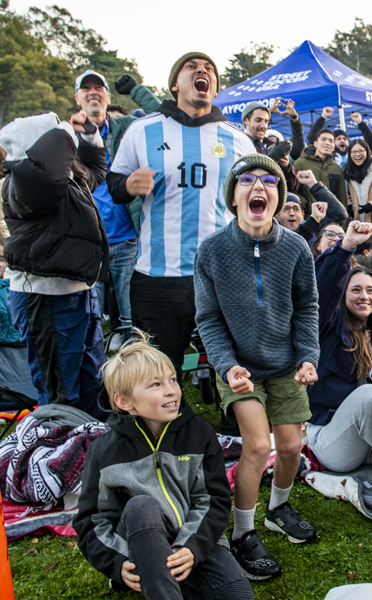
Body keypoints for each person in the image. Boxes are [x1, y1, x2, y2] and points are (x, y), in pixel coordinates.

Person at [194, 154, 320, 580]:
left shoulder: (296, 248)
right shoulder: (211, 251)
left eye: (268, 180)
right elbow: (208, 319)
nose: (258, 186)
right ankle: (242, 533)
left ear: (278, 197)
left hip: (286, 365)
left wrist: (308, 356)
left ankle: (278, 509)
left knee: (291, 446)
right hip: (239, 367)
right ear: (233, 197)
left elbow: (307, 307)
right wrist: (227, 365)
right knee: (257, 446)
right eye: (246, 179)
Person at [107, 52, 255, 379]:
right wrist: (128, 185)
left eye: (209, 69)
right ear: (175, 84)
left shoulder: (238, 140)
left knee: (233, 366)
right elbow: (114, 183)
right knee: (158, 368)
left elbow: (253, 199)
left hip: (221, 274)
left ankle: (230, 412)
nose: (202, 71)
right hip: (158, 275)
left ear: (215, 88)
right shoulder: (142, 130)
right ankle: (167, 412)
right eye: (192, 67)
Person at [74, 332, 254, 599]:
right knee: (141, 505)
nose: (171, 390)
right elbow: (92, 521)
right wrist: (117, 562)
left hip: (193, 539)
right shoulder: (104, 451)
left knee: (239, 595)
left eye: (172, 379)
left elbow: (214, 499)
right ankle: (156, 581)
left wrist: (191, 548)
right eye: (156, 384)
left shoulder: (200, 433)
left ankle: (166, 578)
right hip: (138, 542)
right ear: (124, 401)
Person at [1, 112, 109, 419]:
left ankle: (94, 440)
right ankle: (59, 445)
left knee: (93, 382)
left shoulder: (62, 181)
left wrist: (88, 136)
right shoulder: (25, 184)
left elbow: (94, 174)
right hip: (46, 299)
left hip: (77, 293)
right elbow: (46, 173)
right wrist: (64, 130)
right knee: (61, 392)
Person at [74, 71, 163, 350]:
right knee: (92, 302)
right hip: (89, 235)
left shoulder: (126, 126)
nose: (93, 92)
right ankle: (96, 354)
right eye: (86, 88)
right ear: (77, 98)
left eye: (98, 87)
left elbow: (164, 115)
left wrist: (136, 90)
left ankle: (134, 352)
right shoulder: (70, 134)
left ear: (107, 95)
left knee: (128, 300)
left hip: (126, 232)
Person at [306, 220, 372, 473]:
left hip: (369, 437)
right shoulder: (328, 325)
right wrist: (346, 247)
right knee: (367, 396)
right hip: (332, 438)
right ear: (343, 295)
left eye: (370, 291)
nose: (364, 296)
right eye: (355, 290)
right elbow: (324, 289)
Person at [293, 128, 348, 208]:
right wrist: (307, 204)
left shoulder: (337, 169)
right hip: (308, 214)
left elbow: (342, 197)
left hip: (331, 214)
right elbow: (293, 190)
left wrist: (342, 213)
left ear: (333, 147)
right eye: (323, 139)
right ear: (315, 143)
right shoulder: (300, 164)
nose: (327, 143)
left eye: (331, 141)